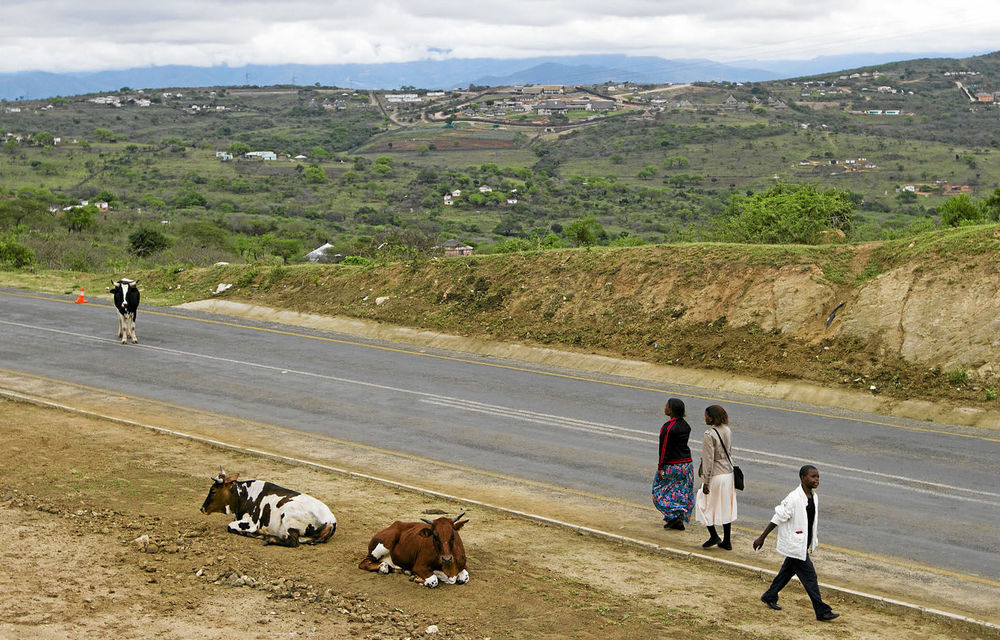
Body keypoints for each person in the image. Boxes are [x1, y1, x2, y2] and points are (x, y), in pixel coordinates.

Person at [753, 465, 840, 622]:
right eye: (813, 477)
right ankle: (821, 611)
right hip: (795, 545)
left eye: (818, 477)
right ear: (803, 478)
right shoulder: (794, 498)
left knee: (787, 572)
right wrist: (762, 537)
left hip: (803, 543)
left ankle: (770, 595)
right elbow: (778, 517)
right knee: (810, 576)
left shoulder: (813, 496)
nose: (816, 480)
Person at [694, 404, 736, 550]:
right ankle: (727, 540)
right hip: (728, 473)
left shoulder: (709, 435)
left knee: (702, 504)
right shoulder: (727, 430)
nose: (704, 418)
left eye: (706, 415)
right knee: (726, 506)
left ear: (711, 417)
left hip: (716, 475)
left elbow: (708, 460)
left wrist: (706, 481)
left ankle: (713, 535)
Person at [652, 397, 693, 530]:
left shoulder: (668, 427)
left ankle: (672, 516)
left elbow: (664, 448)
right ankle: (676, 519)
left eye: (666, 406)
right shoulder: (685, 425)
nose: (665, 408)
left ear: (671, 410)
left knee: (659, 490)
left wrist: (660, 467)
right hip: (686, 464)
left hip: (672, 465)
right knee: (680, 492)